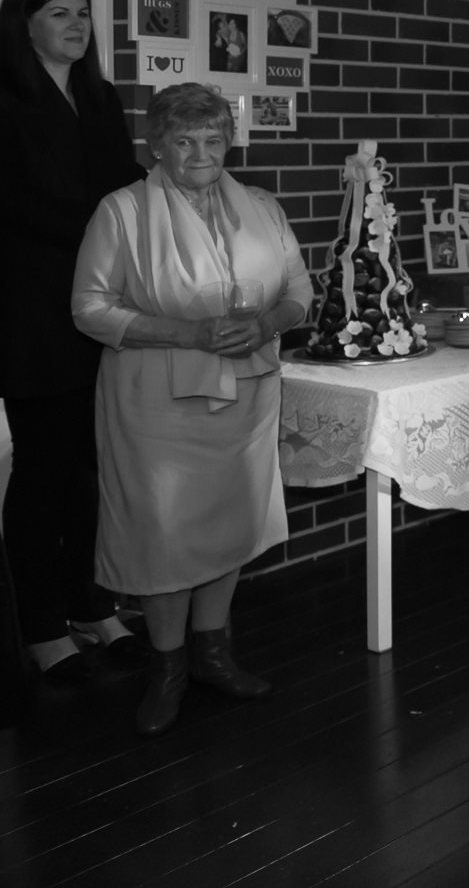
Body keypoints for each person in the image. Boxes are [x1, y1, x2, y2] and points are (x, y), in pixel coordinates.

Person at [71, 83, 311, 736]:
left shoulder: (261, 206)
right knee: (164, 533)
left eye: (212, 139)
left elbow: (298, 291)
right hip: (155, 402)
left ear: (227, 142)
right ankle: (168, 667)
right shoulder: (120, 212)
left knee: (228, 522)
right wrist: (189, 334)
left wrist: (266, 321)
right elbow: (89, 309)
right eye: (184, 141)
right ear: (158, 145)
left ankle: (213, 654)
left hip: (247, 391)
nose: (200, 153)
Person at [0, 0, 147, 685]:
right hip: (30, 315)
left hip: (100, 310)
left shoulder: (99, 97)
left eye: (84, 12)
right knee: (42, 471)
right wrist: (101, 231)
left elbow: (124, 190)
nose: (76, 23)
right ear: (24, 24)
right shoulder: (6, 100)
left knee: (92, 471)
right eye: (58, 12)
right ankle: (40, 623)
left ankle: (92, 603)